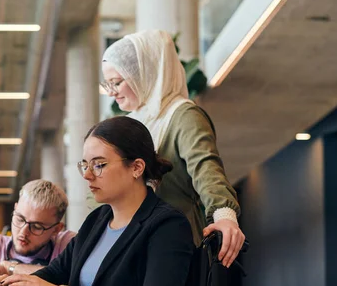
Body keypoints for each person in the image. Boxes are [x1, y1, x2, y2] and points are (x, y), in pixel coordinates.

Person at [0, 117, 195, 286]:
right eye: (85, 165)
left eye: (99, 165)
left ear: (137, 167)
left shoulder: (167, 225)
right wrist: (20, 285)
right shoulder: (97, 220)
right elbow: (55, 272)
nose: (87, 175)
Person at [100, 29, 245, 268]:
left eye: (116, 82)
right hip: (130, 245)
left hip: (173, 245)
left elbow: (206, 169)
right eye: (107, 84)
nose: (111, 92)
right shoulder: (135, 121)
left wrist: (225, 216)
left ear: (144, 74)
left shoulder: (183, 115)